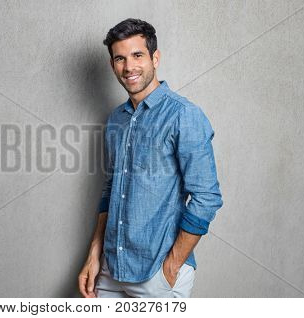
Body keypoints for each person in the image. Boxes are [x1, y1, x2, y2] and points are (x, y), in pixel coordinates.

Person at [78, 18, 224, 298]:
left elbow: (207, 197)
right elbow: (111, 191)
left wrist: (171, 267)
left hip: (157, 274)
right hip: (110, 270)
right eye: (120, 58)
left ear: (155, 58)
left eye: (137, 55)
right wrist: (94, 256)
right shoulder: (116, 120)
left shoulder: (183, 115)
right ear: (112, 66)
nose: (129, 67)